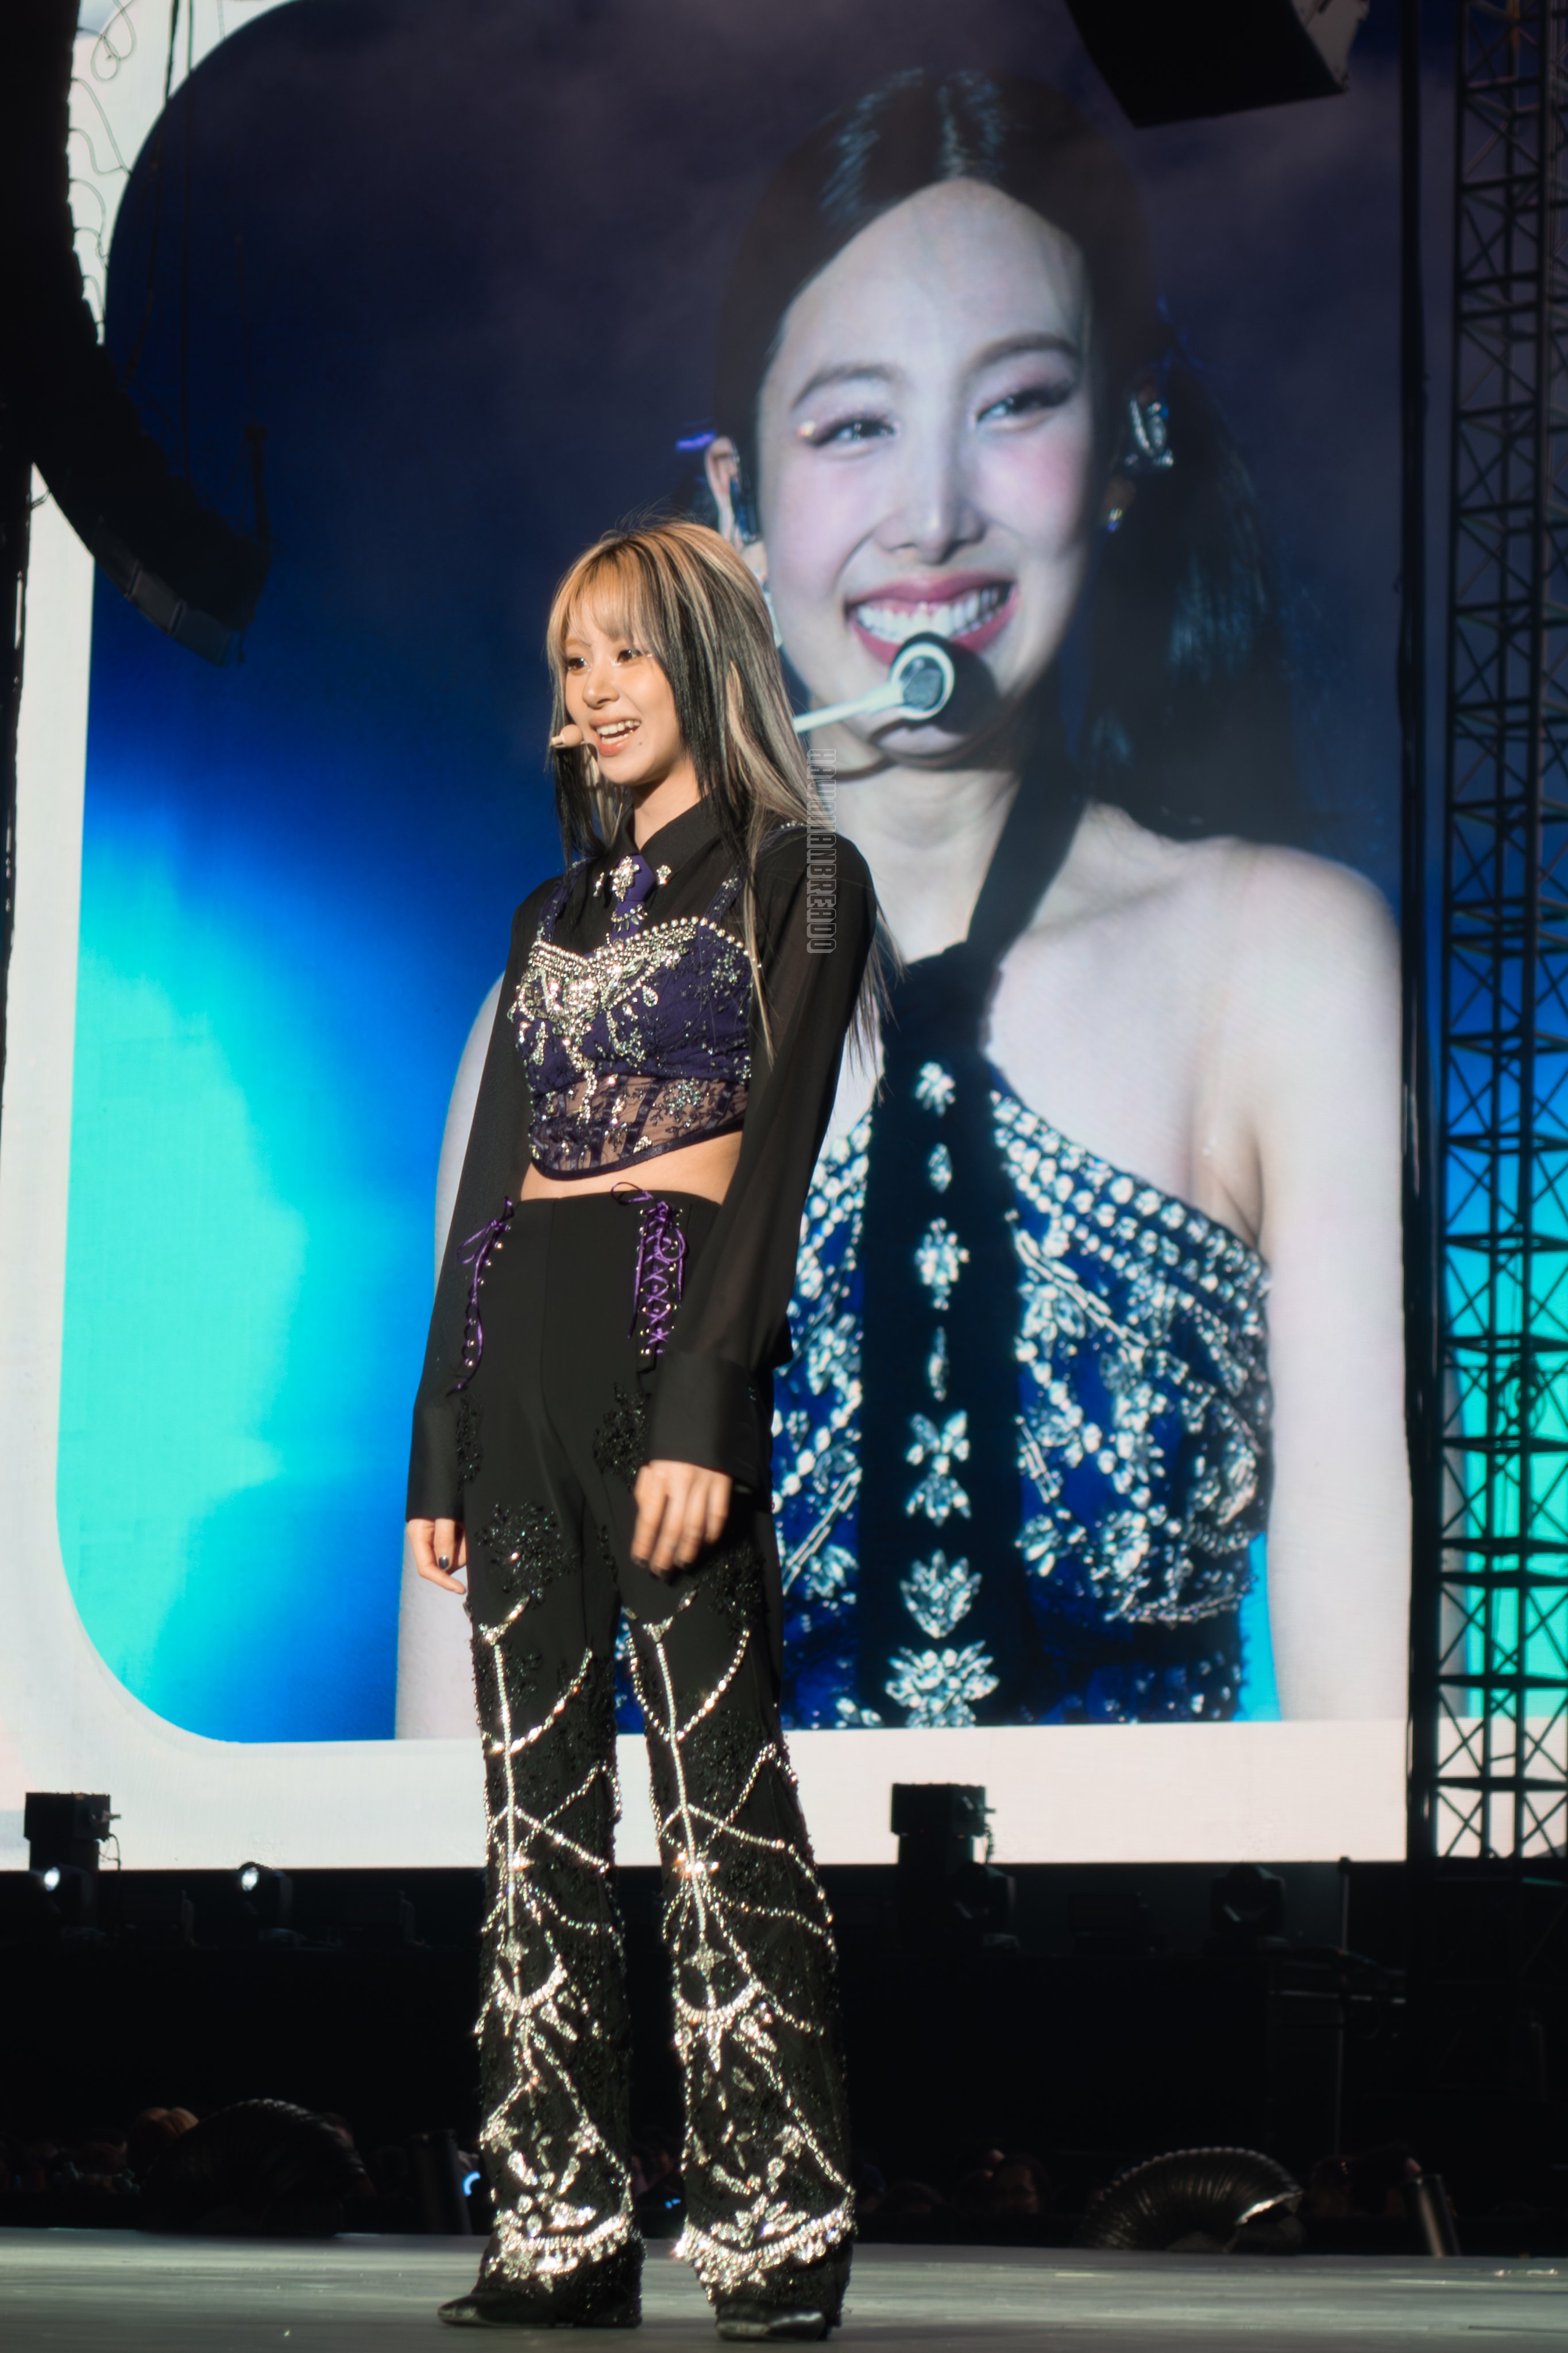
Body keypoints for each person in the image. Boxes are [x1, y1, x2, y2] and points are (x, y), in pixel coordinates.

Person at [692, 68, 1409, 1729]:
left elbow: (1367, 1749)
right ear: (735, 507)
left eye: (1014, 404)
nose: (935, 516)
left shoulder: (1283, 965)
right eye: (854, 426)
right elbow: (463, 1767)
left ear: (1123, 451)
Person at [405, 520, 873, 2336]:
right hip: (519, 1345)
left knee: (716, 1800)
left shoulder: (799, 875)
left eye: (626, 653)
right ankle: (555, 2230)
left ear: (702, 657)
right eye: (571, 663)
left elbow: (775, 1164)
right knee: (532, 1813)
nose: (594, 692)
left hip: (672, 1334)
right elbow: (485, 1192)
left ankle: (775, 2226)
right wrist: (439, 1433)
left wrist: (705, 1403)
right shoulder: (546, 917)